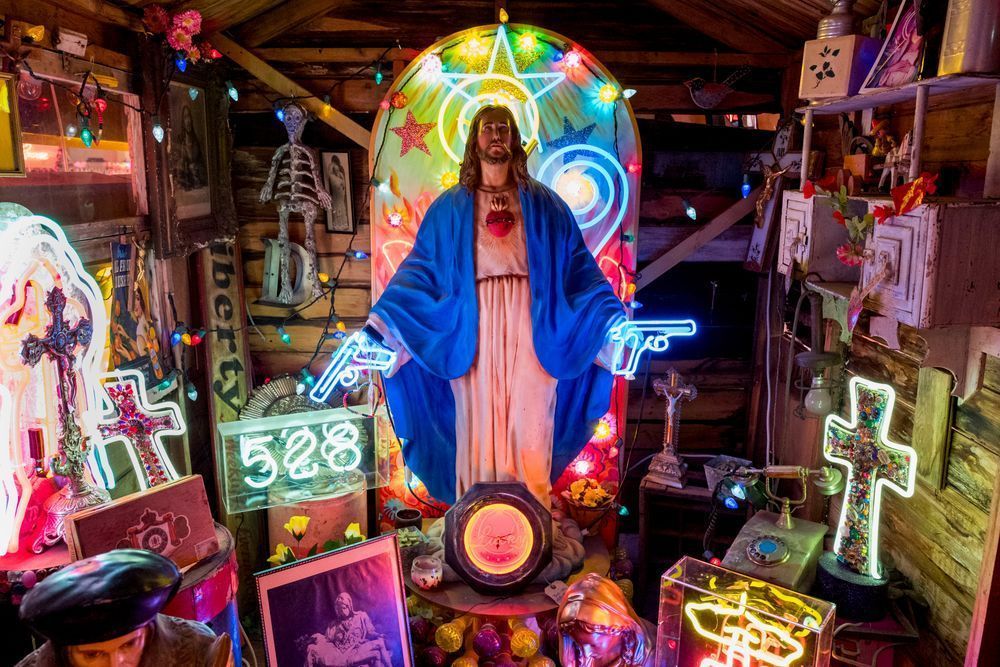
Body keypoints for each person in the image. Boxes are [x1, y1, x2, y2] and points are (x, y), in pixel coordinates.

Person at [366, 105, 624, 507]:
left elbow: (579, 267)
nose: (497, 135)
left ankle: (532, 512)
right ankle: (475, 513)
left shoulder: (546, 205)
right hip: (471, 324)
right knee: (476, 419)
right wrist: (382, 323)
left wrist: (610, 317)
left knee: (532, 419)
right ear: (474, 141)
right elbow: (420, 269)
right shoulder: (450, 208)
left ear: (516, 139)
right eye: (488, 128)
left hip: (533, 320)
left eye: (505, 128)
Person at [17, 549, 231, 667]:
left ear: (147, 631)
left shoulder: (197, 650)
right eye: (93, 655)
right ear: (66, 653)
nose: (116, 664)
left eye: (129, 644)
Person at [557, 573, 654, 667]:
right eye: (579, 644)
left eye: (593, 646)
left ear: (618, 632)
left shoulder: (649, 655)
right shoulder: (574, 653)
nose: (586, 654)